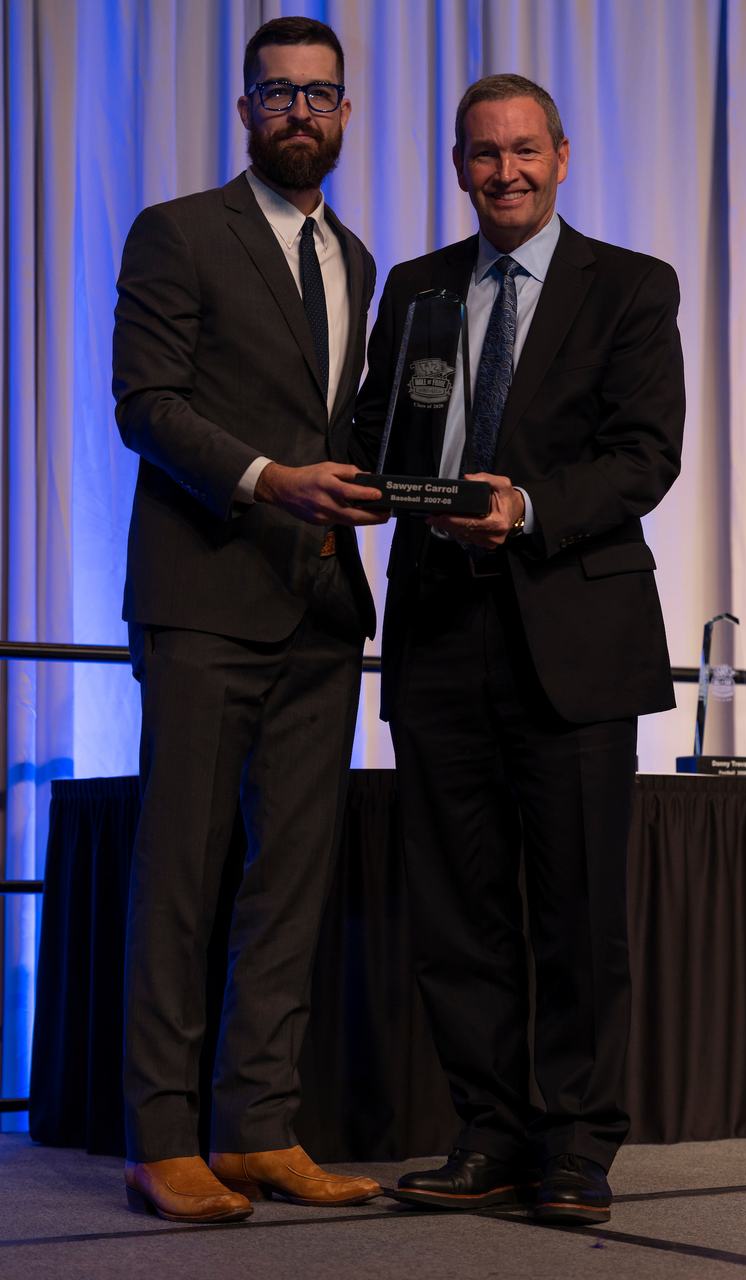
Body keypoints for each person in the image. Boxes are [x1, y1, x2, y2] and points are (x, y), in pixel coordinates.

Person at [353, 74, 685, 1224]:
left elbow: (645, 455)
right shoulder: (415, 287)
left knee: (579, 909)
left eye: (525, 151)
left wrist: (525, 505)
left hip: (575, 634)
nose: (507, 172)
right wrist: (356, 481)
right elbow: (374, 431)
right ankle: (487, 1131)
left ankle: (578, 1144)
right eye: (485, 154)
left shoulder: (632, 288)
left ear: (563, 155)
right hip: (440, 632)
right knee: (458, 907)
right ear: (457, 166)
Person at [113, 16, 388, 1224]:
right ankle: (162, 1135)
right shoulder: (176, 232)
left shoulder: (361, 259)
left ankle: (257, 1125)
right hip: (203, 596)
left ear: (344, 112)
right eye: (275, 95)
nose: (298, 114)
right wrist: (272, 479)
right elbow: (144, 404)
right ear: (243, 112)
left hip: (319, 606)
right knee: (181, 872)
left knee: (291, 879)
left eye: (319, 95)